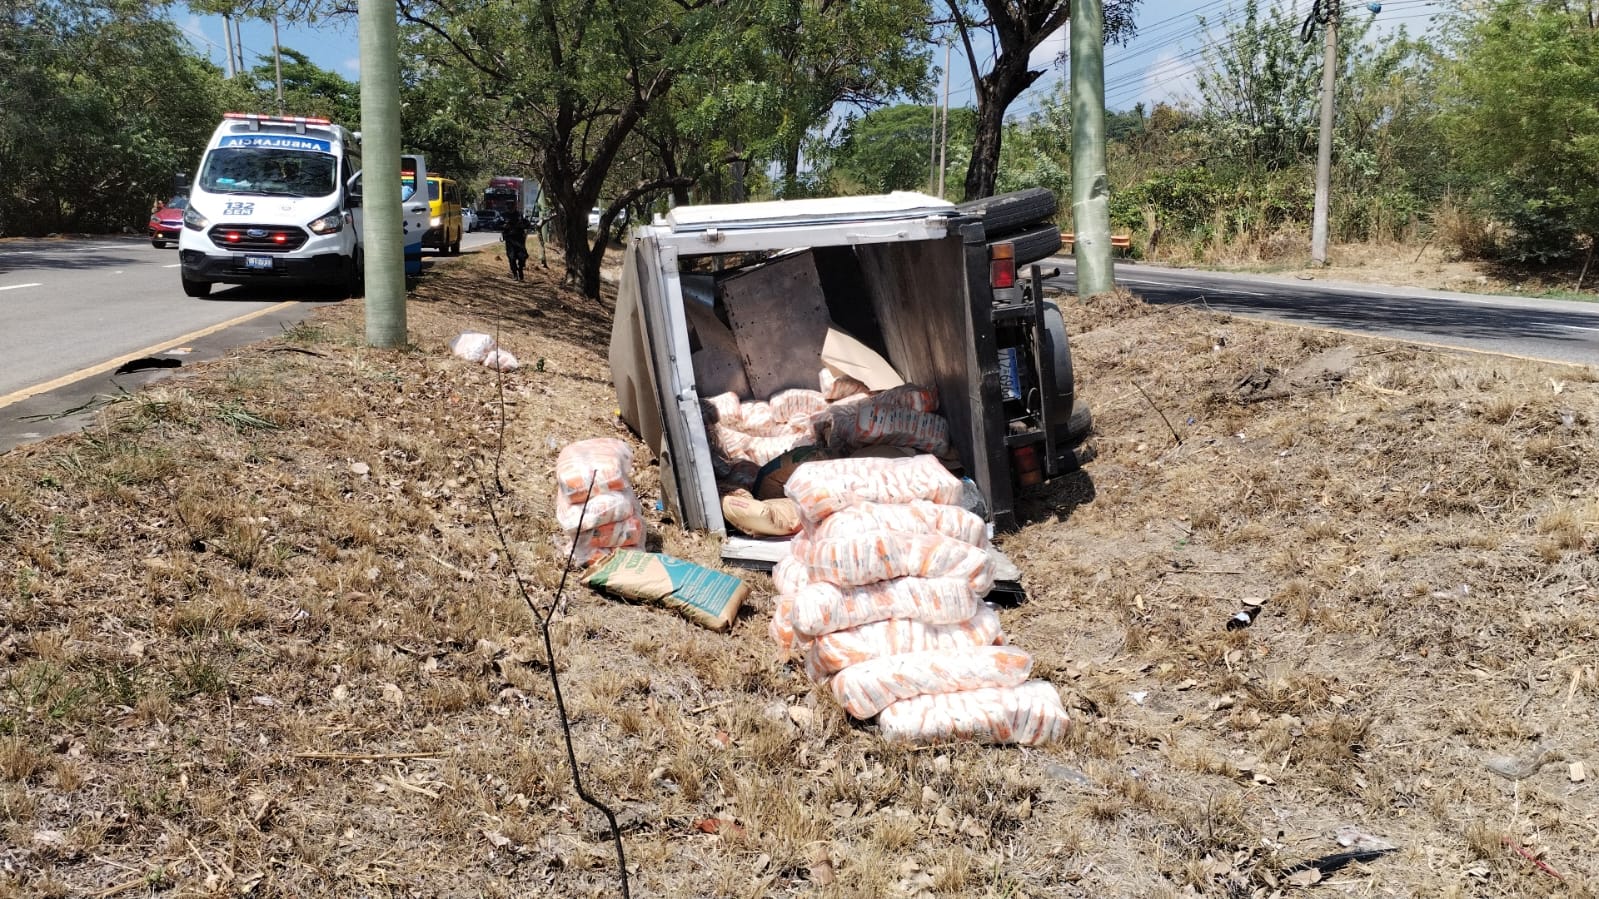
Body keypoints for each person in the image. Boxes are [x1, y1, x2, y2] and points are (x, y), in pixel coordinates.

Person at [502, 213, 529, 281]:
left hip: (519, 241)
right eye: (509, 207)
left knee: (522, 257)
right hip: (510, 241)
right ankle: (515, 274)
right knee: (511, 258)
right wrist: (504, 226)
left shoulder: (519, 215)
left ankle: (520, 270)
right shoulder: (505, 216)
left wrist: (522, 225)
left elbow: (528, 225)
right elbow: (498, 225)